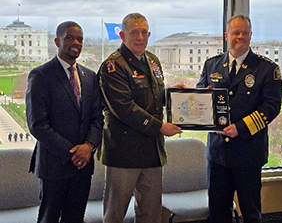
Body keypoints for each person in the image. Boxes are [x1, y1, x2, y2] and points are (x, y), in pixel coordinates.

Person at [196, 14, 282, 223]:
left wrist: (241, 128)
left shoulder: (267, 69)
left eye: (245, 32)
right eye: (236, 32)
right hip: (218, 154)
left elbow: (271, 107)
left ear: (251, 35)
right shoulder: (212, 65)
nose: (240, 36)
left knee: (251, 212)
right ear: (227, 35)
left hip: (248, 152)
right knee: (217, 212)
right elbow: (199, 98)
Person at [98, 13, 182, 223]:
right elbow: (125, 108)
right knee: (114, 214)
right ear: (122, 35)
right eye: (134, 32)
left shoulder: (152, 60)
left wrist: (173, 95)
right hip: (123, 152)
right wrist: (160, 127)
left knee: (150, 214)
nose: (140, 37)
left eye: (144, 32)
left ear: (149, 34)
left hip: (151, 151)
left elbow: (152, 97)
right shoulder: (113, 66)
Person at [26, 21, 104, 223]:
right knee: (49, 219)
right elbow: (37, 124)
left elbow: (98, 118)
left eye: (80, 39)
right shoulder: (41, 75)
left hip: (83, 166)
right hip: (54, 165)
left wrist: (88, 147)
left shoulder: (90, 76)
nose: (76, 42)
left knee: (75, 218)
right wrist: (73, 153)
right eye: (70, 37)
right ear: (57, 41)